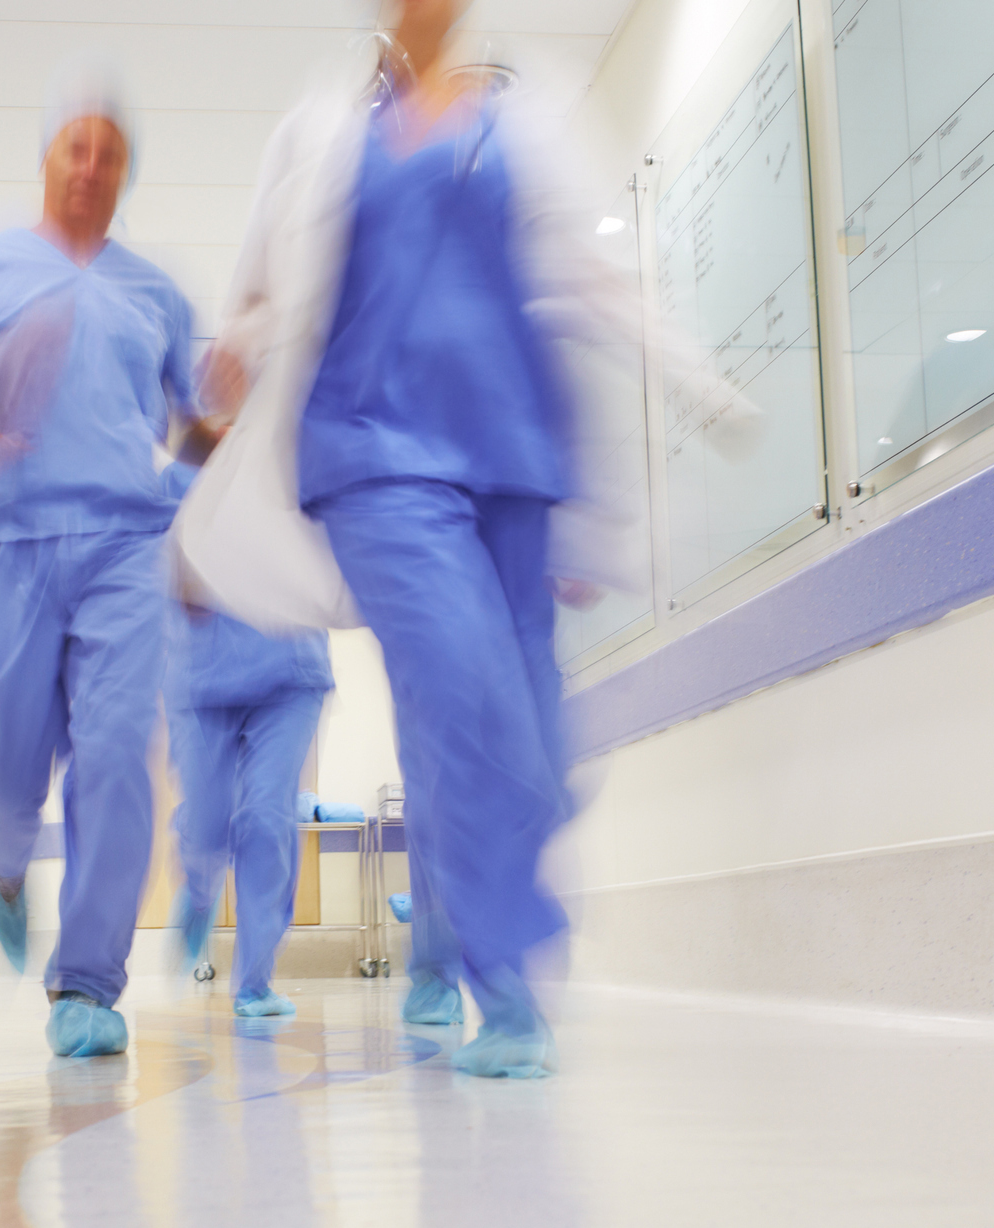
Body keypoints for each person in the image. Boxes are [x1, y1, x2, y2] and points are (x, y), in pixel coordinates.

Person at [181, 0, 753, 1077]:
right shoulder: (322, 130)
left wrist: (695, 376)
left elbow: (584, 279)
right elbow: (263, 289)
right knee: (462, 692)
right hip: (371, 459)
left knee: (529, 735)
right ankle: (504, 981)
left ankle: (476, 941)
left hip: (512, 460)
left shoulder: (521, 118)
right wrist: (236, 347)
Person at [0, 71, 208, 1059]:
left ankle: (88, 981)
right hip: (1, 540)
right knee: (4, 759)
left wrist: (234, 419)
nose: (90, 166)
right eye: (76, 147)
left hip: (122, 541)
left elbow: (193, 431)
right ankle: (2, 849)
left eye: (110, 154)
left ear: (124, 174)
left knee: (117, 752)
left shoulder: (155, 294)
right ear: (47, 159)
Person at [163, 461, 334, 1018]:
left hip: (291, 672)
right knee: (206, 823)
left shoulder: (298, 462)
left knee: (266, 816)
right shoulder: (179, 480)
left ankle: (255, 982)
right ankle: (198, 884)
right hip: (201, 676)